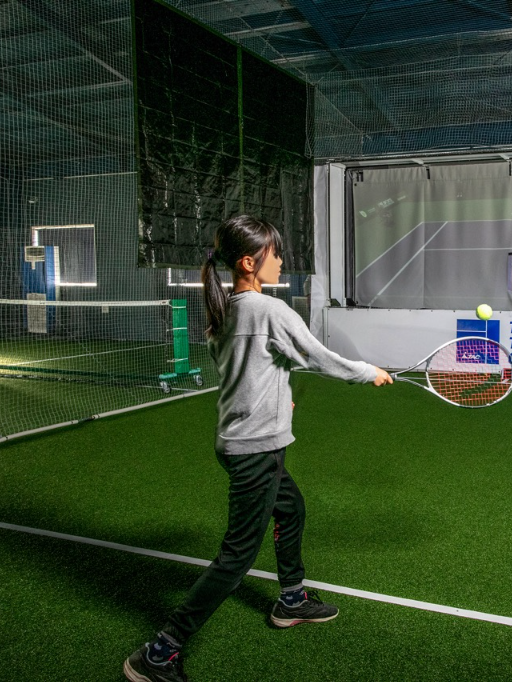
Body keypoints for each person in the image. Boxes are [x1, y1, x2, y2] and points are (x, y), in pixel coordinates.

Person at [124, 215, 392, 682]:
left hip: (238, 443)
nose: (282, 260)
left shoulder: (224, 310)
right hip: (256, 451)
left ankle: (291, 600)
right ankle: (160, 652)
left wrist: (276, 394)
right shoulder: (271, 312)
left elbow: (238, 370)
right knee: (236, 558)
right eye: (276, 253)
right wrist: (369, 372)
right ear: (250, 262)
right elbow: (318, 357)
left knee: (291, 509)